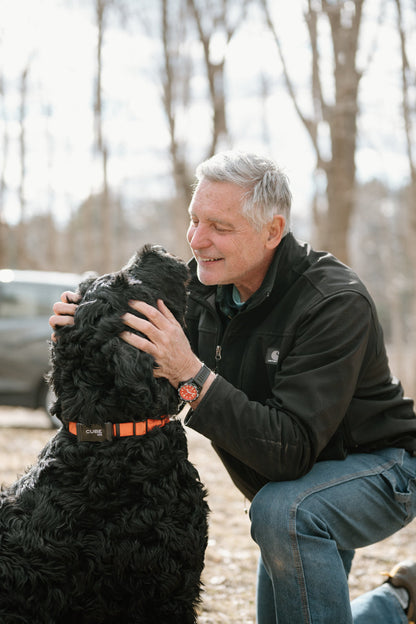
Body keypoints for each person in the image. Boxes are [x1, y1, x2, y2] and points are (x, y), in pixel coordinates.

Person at [50, 150, 416, 624]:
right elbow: (128, 337)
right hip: (291, 485)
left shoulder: (334, 301)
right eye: (194, 219)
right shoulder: (200, 289)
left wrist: (190, 373)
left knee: (285, 513)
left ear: (272, 230)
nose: (197, 240)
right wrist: (77, 323)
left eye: (220, 227)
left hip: (382, 469)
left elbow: (289, 450)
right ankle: (397, 602)